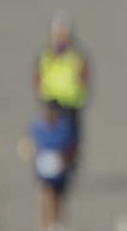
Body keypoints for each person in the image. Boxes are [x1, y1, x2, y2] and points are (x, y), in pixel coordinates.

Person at [25, 100, 79, 231]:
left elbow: (72, 148)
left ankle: (57, 228)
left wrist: (66, 161)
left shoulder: (65, 129)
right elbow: (29, 146)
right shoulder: (37, 128)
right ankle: (46, 230)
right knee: (46, 197)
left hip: (60, 170)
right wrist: (33, 157)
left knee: (59, 198)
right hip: (43, 170)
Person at [35, 11, 89, 151]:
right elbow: (38, 77)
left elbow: (83, 77)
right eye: (58, 35)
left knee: (72, 140)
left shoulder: (76, 57)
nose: (60, 39)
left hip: (71, 104)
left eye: (63, 35)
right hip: (51, 103)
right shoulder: (46, 57)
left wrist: (81, 94)